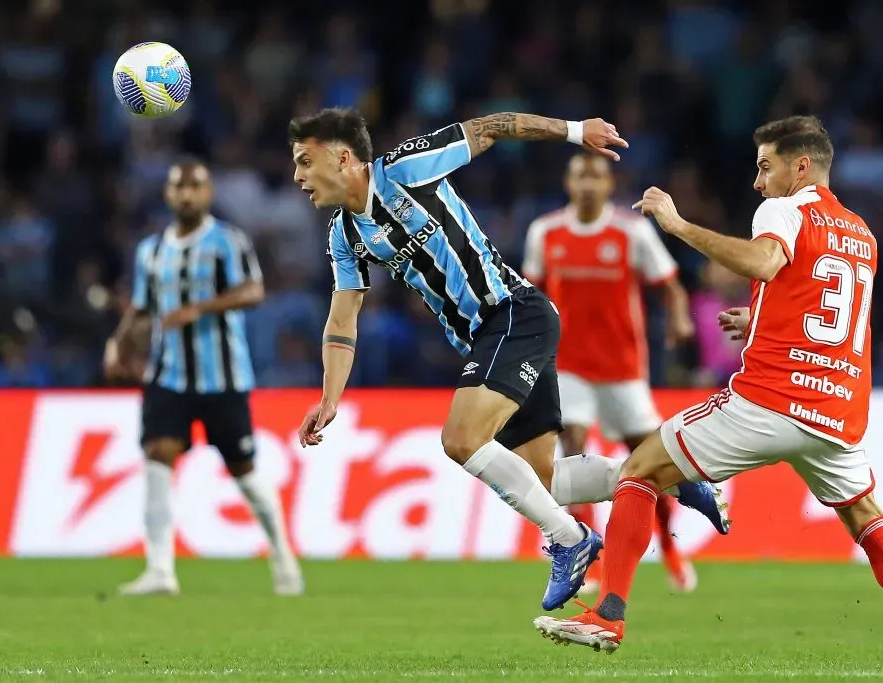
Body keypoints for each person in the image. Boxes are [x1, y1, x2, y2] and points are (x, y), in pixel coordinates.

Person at [532, 116, 883, 669]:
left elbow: (764, 261)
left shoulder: (784, 209)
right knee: (866, 518)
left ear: (800, 166)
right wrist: (757, 317)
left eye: (765, 166)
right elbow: (826, 309)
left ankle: (608, 614)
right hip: (837, 411)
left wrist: (678, 224)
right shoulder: (860, 231)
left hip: (770, 401)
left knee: (640, 471)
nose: (758, 182)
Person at [289, 108, 727, 611]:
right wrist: (329, 399)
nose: (298, 177)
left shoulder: (405, 169)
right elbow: (342, 320)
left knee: (461, 438)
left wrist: (576, 132)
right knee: (542, 480)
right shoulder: (344, 235)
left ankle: (569, 540)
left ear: (344, 157)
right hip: (486, 339)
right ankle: (673, 477)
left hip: (514, 312)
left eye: (305, 161)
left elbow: (493, 126)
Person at [522, 152, 722, 595]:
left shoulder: (631, 231)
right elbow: (531, 292)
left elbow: (668, 284)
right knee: (570, 451)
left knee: (652, 462)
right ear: (568, 183)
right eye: (580, 176)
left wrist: (679, 318)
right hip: (568, 365)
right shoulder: (545, 231)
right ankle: (586, 555)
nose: (588, 184)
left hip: (623, 371)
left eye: (596, 176)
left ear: (610, 185)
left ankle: (670, 549)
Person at [104, 161, 303, 597]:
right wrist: (119, 343)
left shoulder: (227, 242)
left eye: (196, 186)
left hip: (222, 379)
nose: (187, 194)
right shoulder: (151, 251)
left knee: (244, 472)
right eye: (179, 187)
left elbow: (253, 290)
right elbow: (142, 309)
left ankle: (282, 552)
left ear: (209, 193)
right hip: (168, 376)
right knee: (158, 457)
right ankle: (160, 569)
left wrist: (200, 308)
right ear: (168, 194)